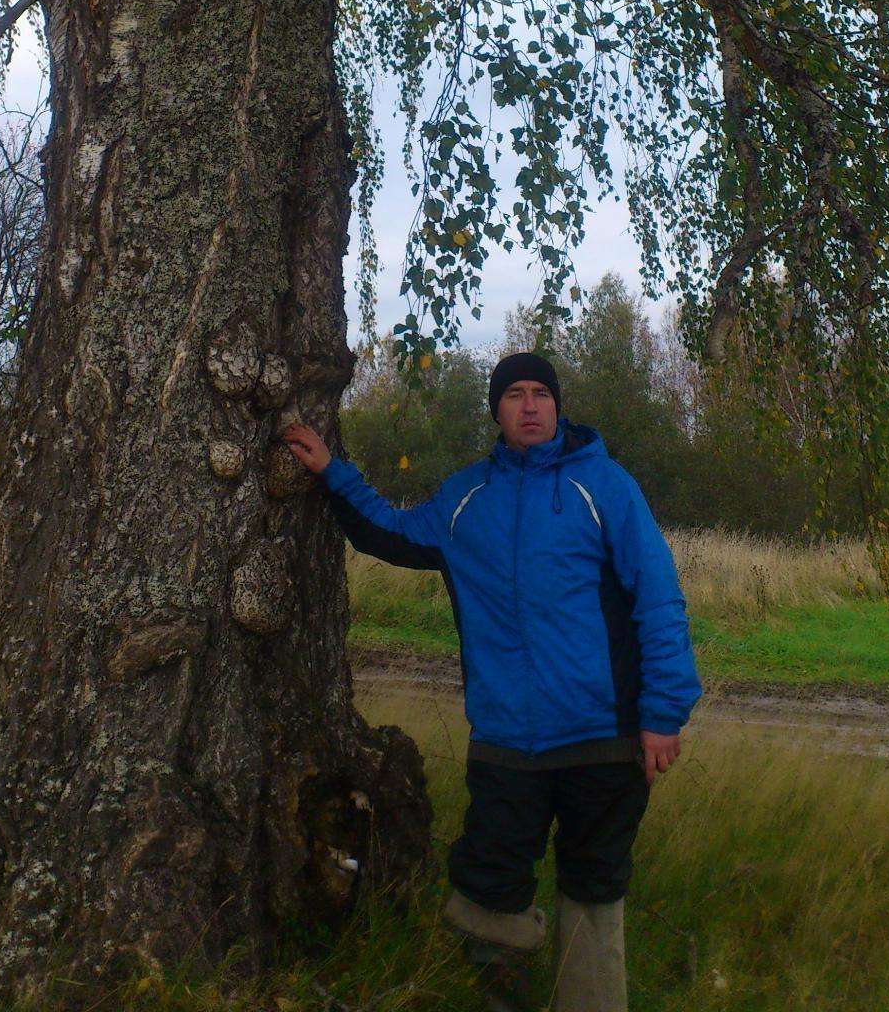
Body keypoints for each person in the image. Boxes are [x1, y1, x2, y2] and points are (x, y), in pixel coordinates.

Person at [281, 351, 701, 1012]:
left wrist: (664, 714)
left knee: (592, 889)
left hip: (604, 738)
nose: (529, 406)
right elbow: (389, 531)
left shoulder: (606, 487)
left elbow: (659, 598)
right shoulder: (465, 498)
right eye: (514, 396)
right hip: (507, 743)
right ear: (496, 411)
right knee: (486, 883)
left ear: (558, 406)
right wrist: (333, 474)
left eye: (540, 393)